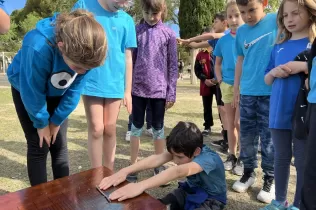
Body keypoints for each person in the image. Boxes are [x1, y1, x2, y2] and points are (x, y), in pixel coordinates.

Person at [6, 9, 107, 186]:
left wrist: (55, 121)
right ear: (61, 47)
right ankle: (40, 200)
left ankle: (63, 197)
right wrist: (42, 123)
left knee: (59, 144)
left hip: (57, 92)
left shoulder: (86, 58)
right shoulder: (38, 46)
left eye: (87, 69)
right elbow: (32, 91)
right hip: (27, 90)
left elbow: (74, 90)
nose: (82, 72)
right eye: (78, 67)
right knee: (39, 145)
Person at [99, 121, 227, 210]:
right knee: (158, 206)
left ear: (197, 151)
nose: (175, 160)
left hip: (211, 200)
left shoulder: (209, 159)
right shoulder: (185, 149)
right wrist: (125, 171)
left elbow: (178, 172)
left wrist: (140, 186)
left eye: (179, 157)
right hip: (188, 191)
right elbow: (157, 158)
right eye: (173, 155)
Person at [261, 0, 315, 209]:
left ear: (310, 14)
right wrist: (274, 72)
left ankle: (299, 204)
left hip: (303, 115)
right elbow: (266, 78)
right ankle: (278, 201)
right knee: (281, 158)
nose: (289, 19)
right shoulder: (278, 46)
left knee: (302, 162)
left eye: (296, 13)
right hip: (278, 112)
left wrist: (300, 66)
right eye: (285, 15)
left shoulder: (313, 44)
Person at [72, 0, 137, 170]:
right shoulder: (84, 5)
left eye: (126, 3)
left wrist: (128, 90)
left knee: (109, 128)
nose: (122, 6)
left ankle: (108, 172)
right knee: (96, 128)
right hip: (91, 79)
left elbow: (128, 57)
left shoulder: (127, 20)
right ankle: (95, 173)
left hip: (115, 82)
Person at [231, 0, 278, 203]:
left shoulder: (277, 20)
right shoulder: (241, 32)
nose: (247, 16)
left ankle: (271, 179)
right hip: (248, 91)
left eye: (252, 10)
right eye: (243, 12)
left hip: (271, 91)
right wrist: (236, 88)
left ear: (264, 3)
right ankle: (249, 172)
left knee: (269, 139)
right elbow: (240, 60)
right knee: (247, 136)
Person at [128, 0, 178, 181]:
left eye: (155, 14)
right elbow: (129, 62)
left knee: (158, 129)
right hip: (137, 89)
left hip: (159, 91)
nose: (150, 17)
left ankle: (159, 166)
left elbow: (173, 66)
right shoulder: (135, 31)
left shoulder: (169, 34)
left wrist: (171, 92)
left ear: (162, 11)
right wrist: (126, 89)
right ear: (142, 10)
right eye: (147, 12)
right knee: (135, 128)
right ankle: (133, 165)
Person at [181, 12, 230, 152]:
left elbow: (211, 35)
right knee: (222, 109)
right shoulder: (214, 41)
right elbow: (198, 45)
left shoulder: (226, 34)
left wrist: (190, 38)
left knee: (228, 112)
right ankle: (226, 139)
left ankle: (234, 142)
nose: (213, 25)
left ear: (224, 22)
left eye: (215, 22)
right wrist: (186, 42)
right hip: (221, 80)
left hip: (230, 80)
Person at [213, 1, 244, 176]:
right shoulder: (223, 41)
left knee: (240, 123)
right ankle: (232, 155)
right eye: (230, 16)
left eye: (237, 15)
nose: (233, 20)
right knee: (230, 124)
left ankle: (243, 157)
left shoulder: (248, 37)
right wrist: (220, 81)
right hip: (227, 86)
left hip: (245, 87)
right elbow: (217, 63)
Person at [194, 27, 220, 138]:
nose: (205, 41)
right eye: (202, 38)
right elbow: (197, 70)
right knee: (207, 106)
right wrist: (205, 79)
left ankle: (225, 128)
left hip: (219, 83)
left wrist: (216, 79)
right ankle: (207, 126)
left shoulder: (218, 50)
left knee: (221, 106)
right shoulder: (200, 55)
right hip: (206, 84)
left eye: (207, 37)